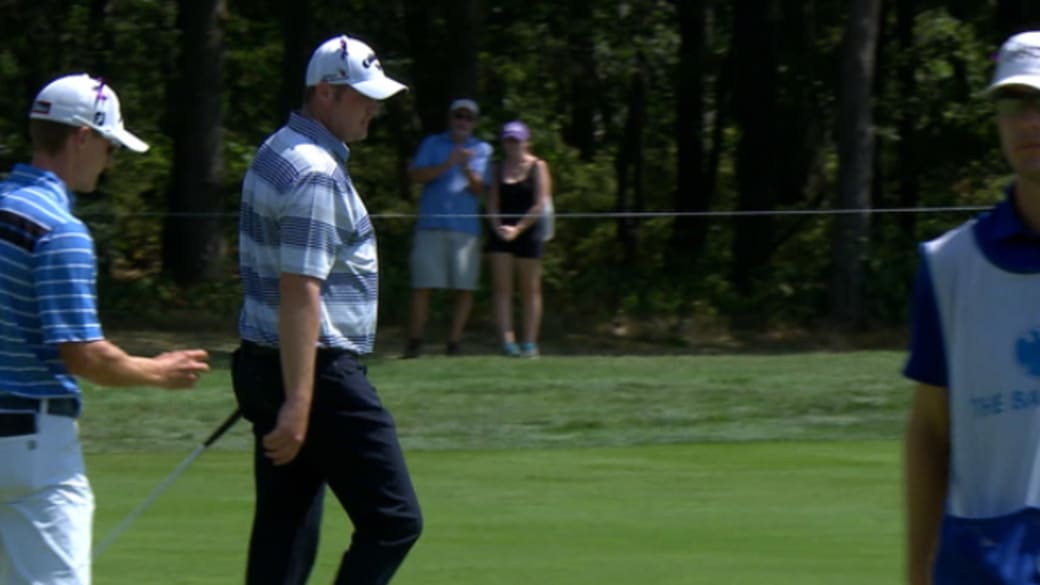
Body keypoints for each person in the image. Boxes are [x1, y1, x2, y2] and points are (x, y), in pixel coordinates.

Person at [0, 73, 210, 584]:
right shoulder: (60, 230)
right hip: (32, 445)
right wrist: (157, 372)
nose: (112, 161)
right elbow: (84, 355)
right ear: (81, 136)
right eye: (110, 145)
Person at [231, 34, 421, 585]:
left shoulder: (276, 149)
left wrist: (282, 388)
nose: (373, 109)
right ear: (325, 93)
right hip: (318, 373)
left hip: (270, 363)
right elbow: (300, 290)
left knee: (284, 536)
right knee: (393, 520)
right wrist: (299, 401)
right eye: (362, 96)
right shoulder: (315, 171)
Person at [904, 30, 1040, 585]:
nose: (1030, 122)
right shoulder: (949, 265)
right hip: (983, 568)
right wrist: (917, 573)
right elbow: (931, 432)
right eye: (1014, 104)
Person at [403, 98, 492, 358]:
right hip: (430, 225)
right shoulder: (432, 143)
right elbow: (416, 176)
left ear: (474, 123)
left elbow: (479, 189)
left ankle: (454, 343)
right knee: (423, 285)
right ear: (450, 118)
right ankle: (415, 342)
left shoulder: (482, 149)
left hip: (466, 229)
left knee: (464, 288)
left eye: (468, 117)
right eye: (458, 116)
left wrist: (465, 166)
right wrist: (448, 162)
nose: (462, 121)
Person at [486, 120, 552, 357]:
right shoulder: (496, 167)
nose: (512, 144)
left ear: (526, 141)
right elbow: (492, 203)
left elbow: (539, 204)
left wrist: (518, 229)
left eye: (516, 140)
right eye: (508, 140)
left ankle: (530, 342)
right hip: (500, 233)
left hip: (529, 232)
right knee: (502, 289)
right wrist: (498, 228)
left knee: (530, 290)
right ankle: (507, 341)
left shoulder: (538, 166)